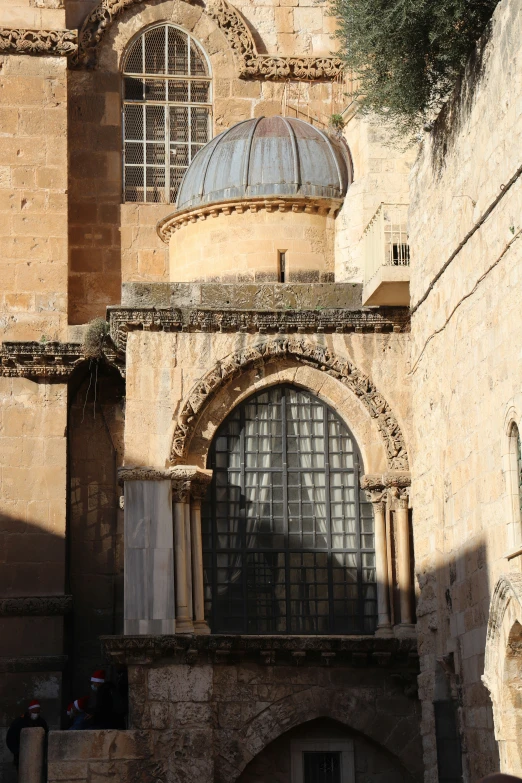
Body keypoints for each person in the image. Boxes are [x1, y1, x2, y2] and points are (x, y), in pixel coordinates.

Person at [6, 699, 48, 769]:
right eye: (34, 711)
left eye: (37, 711)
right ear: (29, 711)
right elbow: (10, 738)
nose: (36, 713)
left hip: (37, 757)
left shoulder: (42, 722)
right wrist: (18, 752)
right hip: (22, 757)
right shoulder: (19, 722)